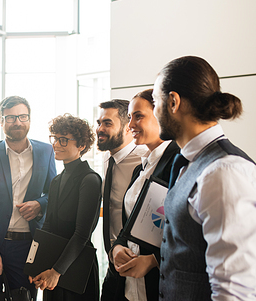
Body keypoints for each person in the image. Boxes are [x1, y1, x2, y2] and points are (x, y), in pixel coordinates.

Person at [152, 56, 256, 300]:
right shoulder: (190, 162)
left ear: (173, 102)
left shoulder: (223, 172)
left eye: (156, 101)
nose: (154, 111)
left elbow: (234, 289)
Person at [0, 96, 56, 298]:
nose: (17, 122)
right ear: (1, 121)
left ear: (29, 119)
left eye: (22, 116)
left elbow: (55, 193)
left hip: (27, 247)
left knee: (25, 297)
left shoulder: (46, 151)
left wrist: (40, 204)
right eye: (10, 118)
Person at [110, 89, 179, 301]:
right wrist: (117, 247)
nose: (130, 125)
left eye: (139, 116)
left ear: (161, 113)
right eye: (130, 117)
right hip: (131, 285)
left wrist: (153, 260)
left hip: (163, 283)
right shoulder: (140, 169)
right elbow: (130, 223)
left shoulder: (179, 161)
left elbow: (189, 232)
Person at [30, 114, 102, 300]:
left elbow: (82, 235)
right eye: (54, 138)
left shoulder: (90, 180)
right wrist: (37, 266)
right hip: (53, 266)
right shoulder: (56, 180)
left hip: (76, 266)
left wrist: (56, 271)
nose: (56, 144)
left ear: (81, 146)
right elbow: (47, 228)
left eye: (63, 140)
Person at [96, 100, 148, 301]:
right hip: (112, 261)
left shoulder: (144, 160)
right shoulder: (107, 159)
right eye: (99, 122)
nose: (100, 129)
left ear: (128, 127)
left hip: (136, 262)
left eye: (107, 123)